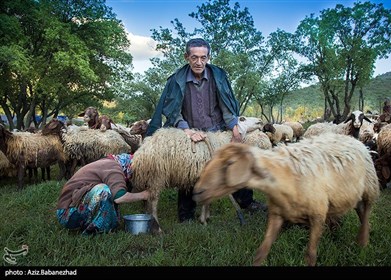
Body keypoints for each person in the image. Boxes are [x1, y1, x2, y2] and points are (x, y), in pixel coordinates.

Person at [146, 38, 266, 222]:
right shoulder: (177, 80)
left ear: (208, 57)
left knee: (235, 162)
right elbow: (173, 111)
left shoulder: (218, 76)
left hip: (216, 131)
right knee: (189, 170)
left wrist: (235, 130)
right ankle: (186, 214)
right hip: (189, 132)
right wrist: (187, 131)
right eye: (194, 57)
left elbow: (226, 105)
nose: (199, 62)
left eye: (203, 57)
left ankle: (247, 202)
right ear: (187, 57)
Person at [56, 153, 149, 234]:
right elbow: (120, 197)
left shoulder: (111, 163)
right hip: (67, 214)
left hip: (73, 208)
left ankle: (105, 226)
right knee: (103, 191)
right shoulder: (114, 167)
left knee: (109, 192)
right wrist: (145, 195)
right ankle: (97, 231)